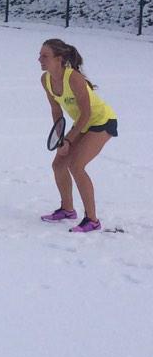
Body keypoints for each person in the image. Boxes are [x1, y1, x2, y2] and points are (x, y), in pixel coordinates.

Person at [39, 39, 118, 233]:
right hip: (83, 124)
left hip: (102, 121)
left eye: (44, 56)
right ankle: (67, 209)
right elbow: (56, 112)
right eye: (40, 55)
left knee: (76, 166)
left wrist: (68, 140)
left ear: (59, 59)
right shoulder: (46, 79)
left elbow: (87, 114)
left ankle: (92, 220)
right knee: (58, 165)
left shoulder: (73, 78)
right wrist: (60, 139)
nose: (39, 59)